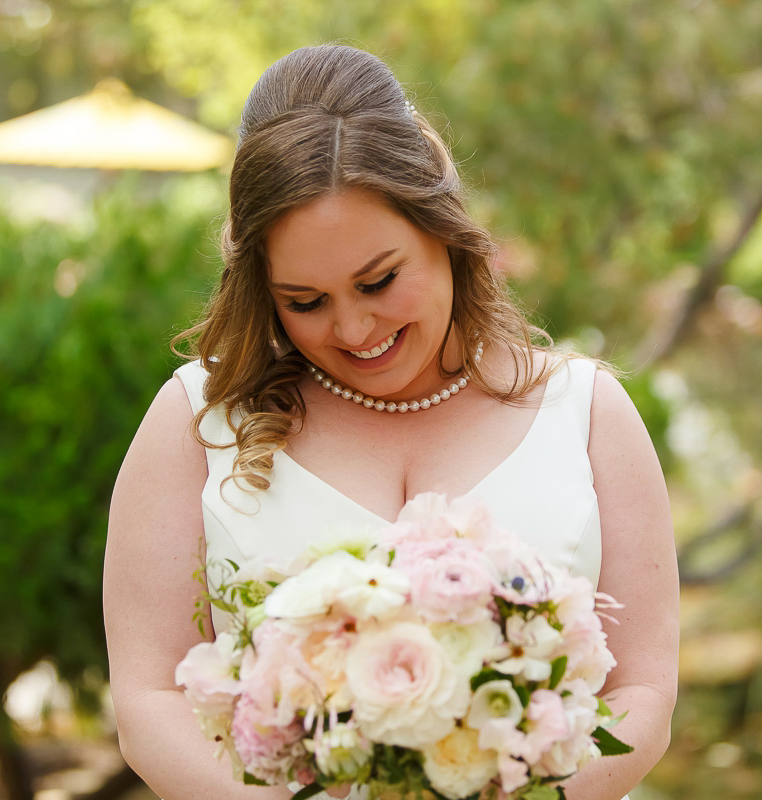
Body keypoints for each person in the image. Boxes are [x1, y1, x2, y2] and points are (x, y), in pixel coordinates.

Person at [103, 44, 678, 800]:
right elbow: (149, 702)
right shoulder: (199, 421)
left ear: (441, 229)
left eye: (378, 280)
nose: (353, 327)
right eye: (304, 301)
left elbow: (644, 697)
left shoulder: (587, 413)